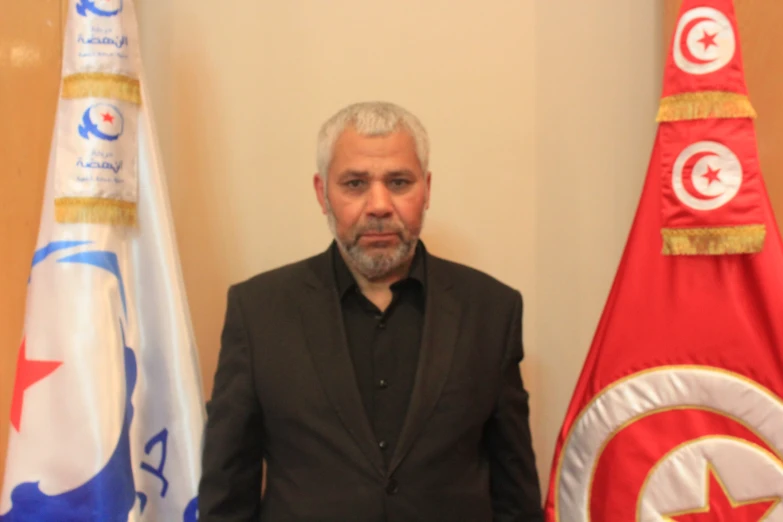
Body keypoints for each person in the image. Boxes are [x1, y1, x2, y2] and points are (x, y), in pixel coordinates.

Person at [198, 101, 543, 521]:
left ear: (427, 190)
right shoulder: (257, 312)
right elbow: (228, 489)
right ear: (322, 193)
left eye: (399, 182)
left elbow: (515, 493)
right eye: (355, 184)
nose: (379, 205)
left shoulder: (492, 310)